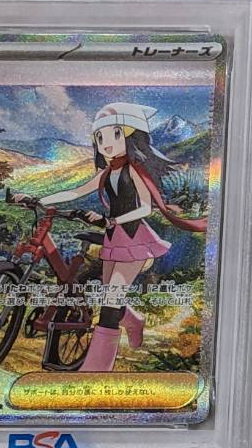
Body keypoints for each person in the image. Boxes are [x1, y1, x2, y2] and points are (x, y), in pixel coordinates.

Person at [39, 103, 205, 371]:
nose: (106, 143)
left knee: (109, 305)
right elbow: (75, 192)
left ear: (130, 136)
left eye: (115, 134)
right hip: (113, 239)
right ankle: (134, 320)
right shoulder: (107, 173)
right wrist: (39, 200)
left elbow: (146, 208)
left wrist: (115, 220)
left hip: (135, 239)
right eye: (100, 137)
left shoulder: (134, 170)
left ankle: (95, 372)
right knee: (111, 296)